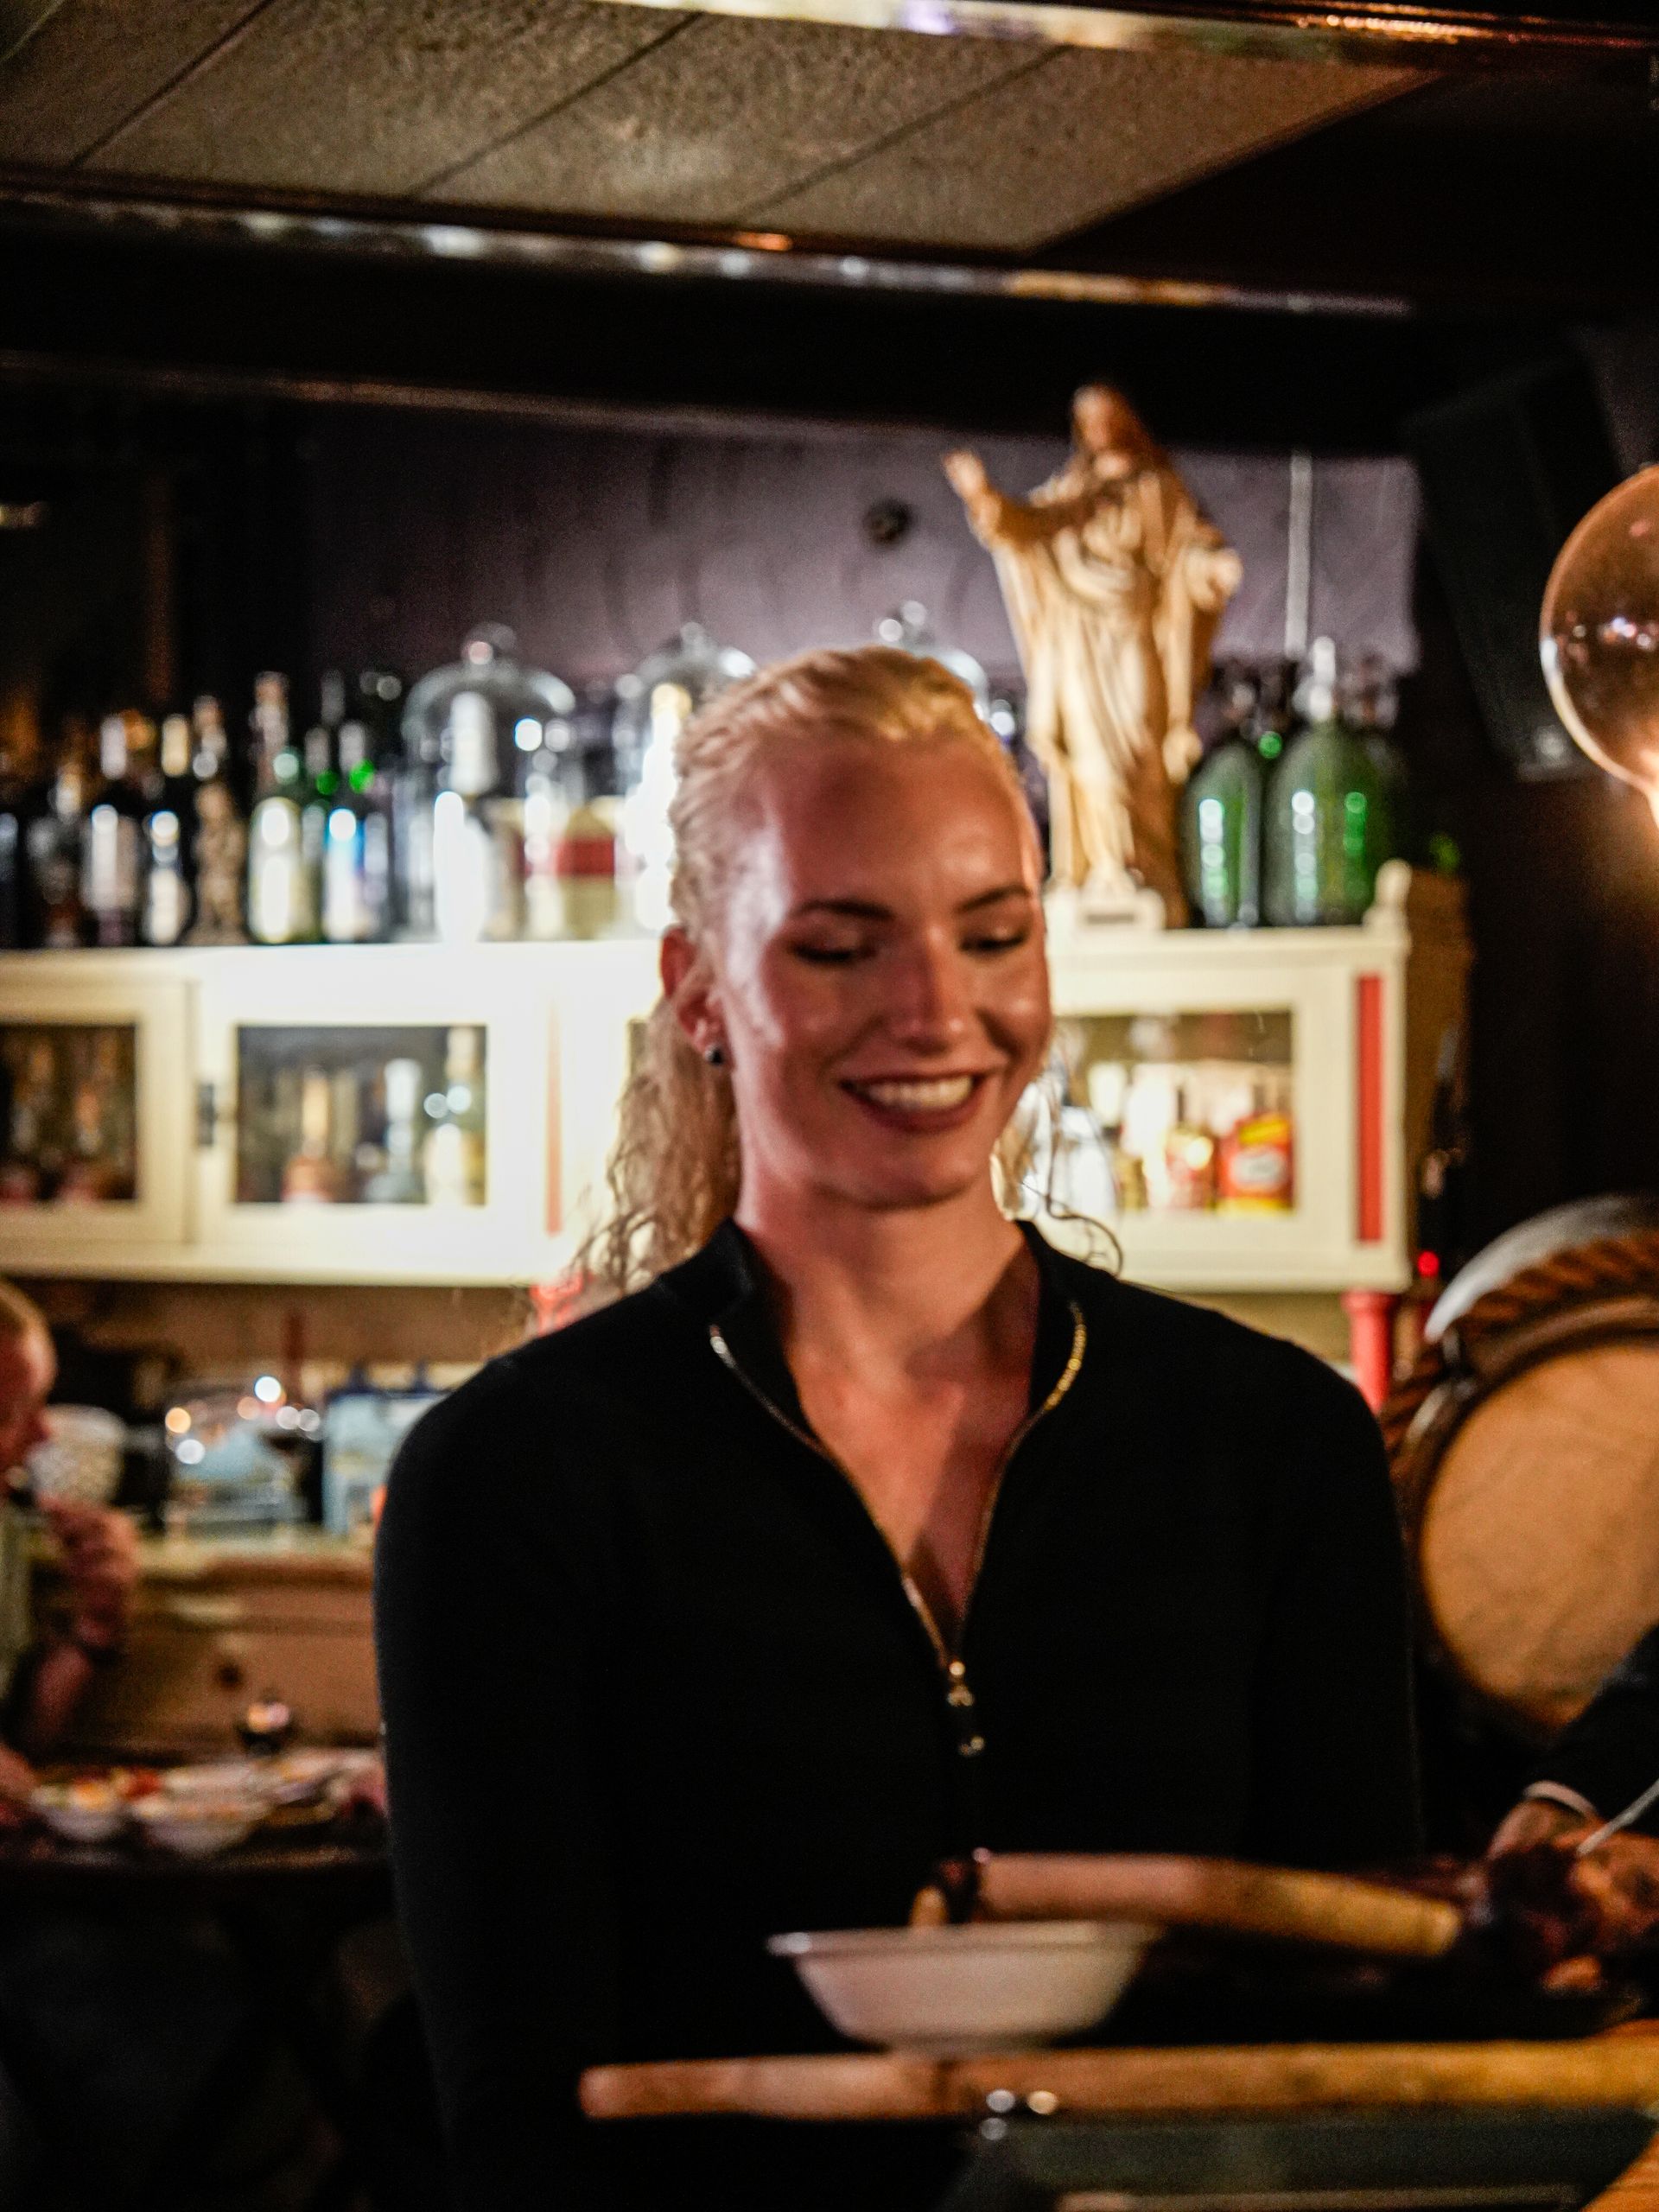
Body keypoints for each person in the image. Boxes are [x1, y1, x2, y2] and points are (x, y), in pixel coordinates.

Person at [377, 647, 1419, 2212]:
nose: (936, 1011)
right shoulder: (517, 1478)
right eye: (840, 949)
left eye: (991, 934)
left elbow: (1363, 2029)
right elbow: (525, 2118)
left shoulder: (1274, 1445)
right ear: (699, 994)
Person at [945, 387, 1242, 925]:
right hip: (1077, 642)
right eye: (1088, 419)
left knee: (1136, 752)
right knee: (1088, 757)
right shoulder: (1072, 492)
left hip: (1132, 636)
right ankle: (1101, 870)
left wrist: (1212, 568)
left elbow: (1186, 550)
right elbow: (1022, 528)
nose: (1099, 427)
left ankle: (1145, 868)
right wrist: (983, 496)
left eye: (1106, 417)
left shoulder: (1156, 487)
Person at [0, 1280, 137, 1799]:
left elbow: (24, 1737)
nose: (43, 1435)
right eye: (10, 1414)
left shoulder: (6, 1528)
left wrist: (97, 1626)